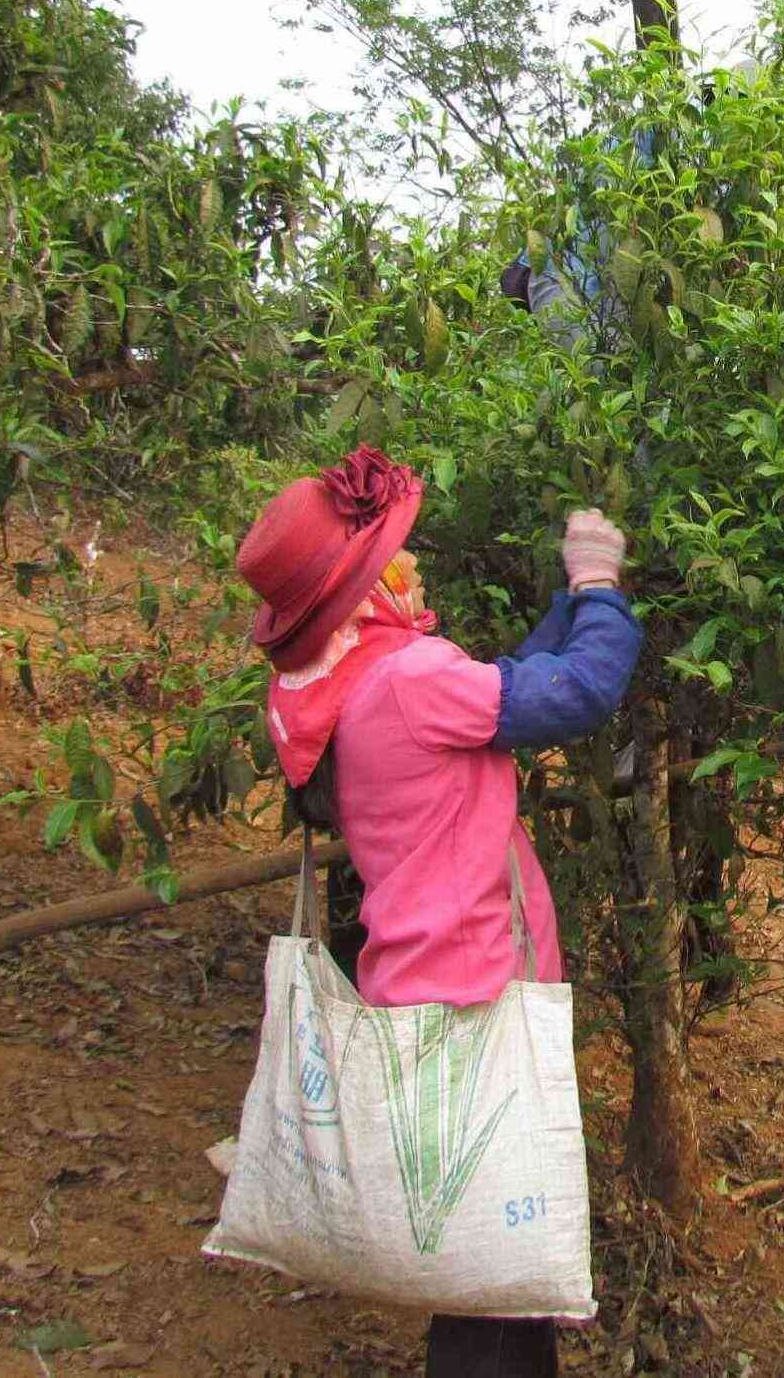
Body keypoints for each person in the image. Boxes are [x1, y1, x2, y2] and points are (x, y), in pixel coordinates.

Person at [235, 445, 642, 1378]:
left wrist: (572, 602)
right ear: (361, 588)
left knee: (477, 1253)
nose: (408, 569)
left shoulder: (337, 687)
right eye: (392, 560)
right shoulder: (410, 680)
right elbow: (574, 692)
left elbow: (497, 689)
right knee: (489, 1284)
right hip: (472, 990)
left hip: (417, 981)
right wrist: (601, 584)